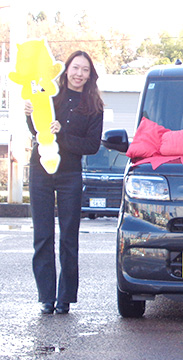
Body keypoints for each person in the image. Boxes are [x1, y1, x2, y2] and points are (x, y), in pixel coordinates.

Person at [25, 51, 104, 314]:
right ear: (66, 69)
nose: (79, 74)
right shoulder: (49, 94)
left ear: (90, 75)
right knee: (43, 235)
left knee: (69, 237)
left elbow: (92, 146)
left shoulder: (94, 105)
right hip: (40, 170)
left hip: (70, 173)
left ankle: (65, 298)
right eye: (75, 68)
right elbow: (38, 129)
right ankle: (46, 296)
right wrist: (30, 114)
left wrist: (64, 135)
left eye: (85, 70)